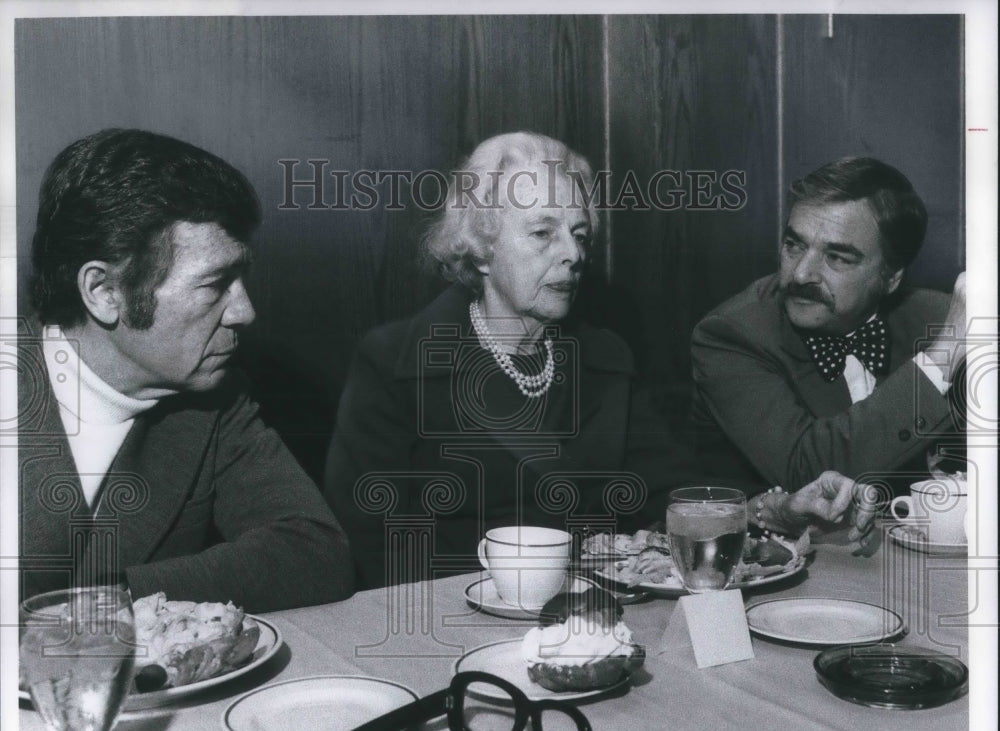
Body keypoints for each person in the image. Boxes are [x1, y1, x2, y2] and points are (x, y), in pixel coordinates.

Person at [325, 132, 877, 590]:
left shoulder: (604, 358)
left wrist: (778, 511)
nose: (573, 253)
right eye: (543, 232)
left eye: (579, 233)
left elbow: (668, 495)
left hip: (603, 617)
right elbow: (372, 546)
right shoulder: (395, 362)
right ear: (481, 246)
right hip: (458, 625)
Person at [18, 128, 354, 612]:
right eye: (216, 284)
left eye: (241, 279)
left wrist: (111, 603)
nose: (244, 312)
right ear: (104, 292)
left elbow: (316, 553)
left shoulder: (217, 397)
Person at [691, 156, 966, 494]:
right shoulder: (731, 334)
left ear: (891, 278)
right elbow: (806, 472)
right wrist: (942, 358)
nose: (801, 274)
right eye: (794, 245)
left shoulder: (937, 318)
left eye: (837, 257)